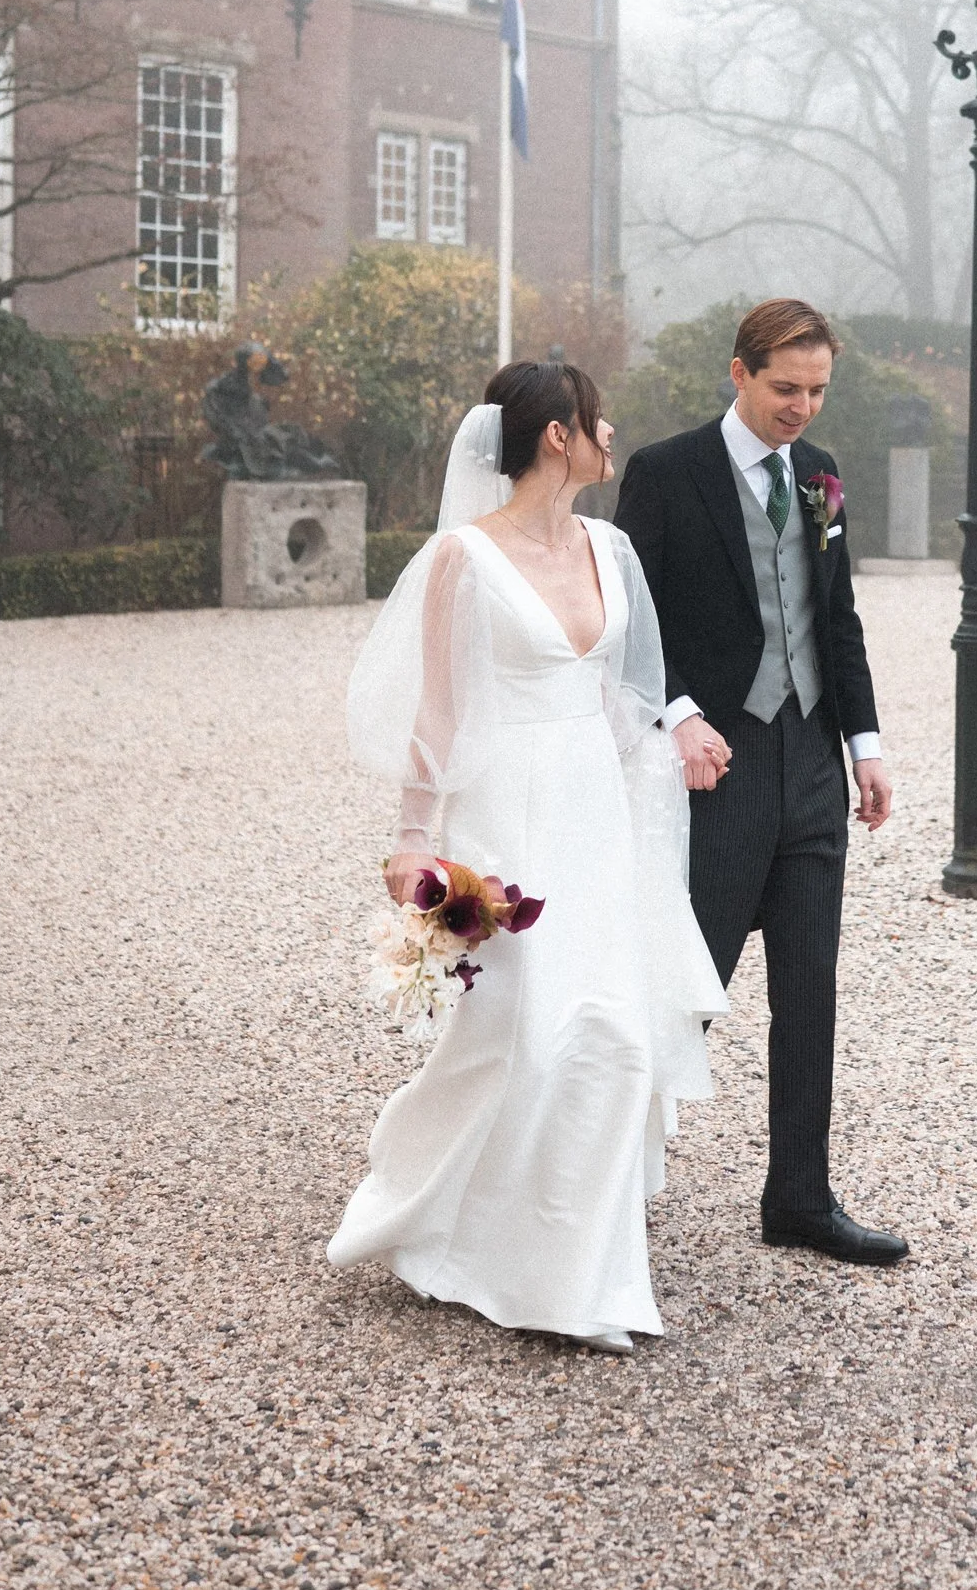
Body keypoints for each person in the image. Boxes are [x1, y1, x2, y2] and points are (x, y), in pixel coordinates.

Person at [327, 361, 727, 1354]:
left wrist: (673, 745)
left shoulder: (612, 546)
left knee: (615, 1036)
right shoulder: (464, 558)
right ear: (559, 435)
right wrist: (415, 838)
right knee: (519, 1035)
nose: (611, 437)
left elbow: (622, 696)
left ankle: (576, 1275)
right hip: (503, 810)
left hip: (596, 811)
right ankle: (435, 1217)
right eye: (600, 422)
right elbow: (437, 710)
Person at [614, 299, 908, 1266]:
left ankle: (800, 1199)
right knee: (687, 987)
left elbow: (839, 619)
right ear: (737, 374)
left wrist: (863, 744)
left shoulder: (820, 478)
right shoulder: (665, 473)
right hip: (715, 768)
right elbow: (630, 627)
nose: (802, 407)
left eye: (817, 390)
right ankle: (603, 1183)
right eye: (786, 387)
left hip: (811, 766)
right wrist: (680, 713)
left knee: (810, 990)